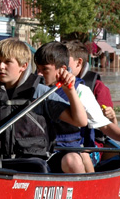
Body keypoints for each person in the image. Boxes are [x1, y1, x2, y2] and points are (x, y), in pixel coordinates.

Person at [0, 38, 86, 172]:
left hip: (31, 162)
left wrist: (70, 90)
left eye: (8, 62)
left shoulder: (41, 92)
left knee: (40, 168)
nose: (1, 66)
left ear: (23, 66)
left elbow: (80, 121)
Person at [34, 41, 113, 173]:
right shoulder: (36, 89)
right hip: (45, 150)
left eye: (44, 69)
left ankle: (89, 186)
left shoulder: (82, 90)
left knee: (83, 155)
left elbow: (105, 126)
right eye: (37, 69)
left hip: (78, 150)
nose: (38, 74)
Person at [64, 40, 120, 158]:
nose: (61, 66)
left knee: (81, 156)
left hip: (89, 147)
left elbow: (107, 125)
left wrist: (113, 117)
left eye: (64, 61)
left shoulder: (96, 88)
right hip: (61, 147)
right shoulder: (49, 85)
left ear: (79, 62)